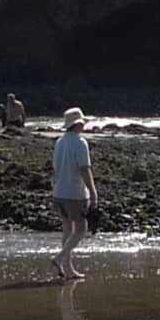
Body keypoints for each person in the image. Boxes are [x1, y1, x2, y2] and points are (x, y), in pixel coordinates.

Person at [48, 106, 98, 282]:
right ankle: (60, 258)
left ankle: (68, 269)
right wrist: (92, 192)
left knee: (67, 229)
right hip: (75, 193)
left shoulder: (60, 142)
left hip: (59, 192)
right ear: (78, 124)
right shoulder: (80, 142)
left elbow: (54, 169)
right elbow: (84, 169)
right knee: (81, 229)